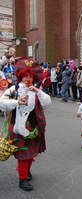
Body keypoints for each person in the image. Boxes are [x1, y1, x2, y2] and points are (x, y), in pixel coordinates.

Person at [0, 58, 51, 191]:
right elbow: (2, 104)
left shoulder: (35, 90)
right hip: (17, 126)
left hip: (33, 126)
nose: (27, 78)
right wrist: (17, 102)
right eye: (25, 76)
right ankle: (22, 179)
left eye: (30, 76)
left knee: (31, 153)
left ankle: (26, 171)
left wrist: (38, 91)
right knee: (23, 155)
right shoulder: (13, 89)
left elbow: (47, 103)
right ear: (20, 76)